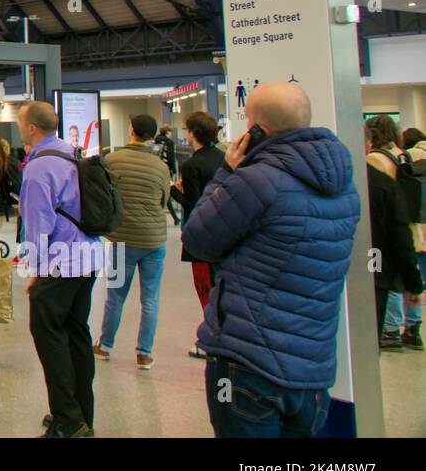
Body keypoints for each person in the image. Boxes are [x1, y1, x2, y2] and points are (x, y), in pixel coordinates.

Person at [182, 82, 359, 438]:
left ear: (258, 131)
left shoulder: (257, 180)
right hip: (313, 365)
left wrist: (226, 173)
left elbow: (199, 238)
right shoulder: (345, 185)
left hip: (249, 363)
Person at [18, 101, 104, 438]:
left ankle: (67, 421)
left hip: (59, 263)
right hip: (88, 258)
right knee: (77, 335)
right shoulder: (73, 153)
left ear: (31, 129)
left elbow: (38, 225)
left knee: (49, 338)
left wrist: (36, 271)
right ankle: (82, 413)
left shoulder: (39, 167)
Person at [96, 114, 172, 370]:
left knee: (115, 295)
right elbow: (164, 201)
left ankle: (105, 346)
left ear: (131, 131)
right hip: (153, 240)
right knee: (150, 298)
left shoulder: (112, 160)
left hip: (121, 240)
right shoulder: (160, 167)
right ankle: (144, 352)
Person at [170, 110, 226, 358]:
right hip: (226, 232)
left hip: (201, 238)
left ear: (193, 132)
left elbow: (193, 203)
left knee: (205, 289)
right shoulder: (224, 159)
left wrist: (171, 191)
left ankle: (211, 339)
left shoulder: (192, 164)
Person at [364, 116, 423, 352]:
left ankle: (391, 328)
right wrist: (414, 284)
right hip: (408, 223)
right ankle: (412, 326)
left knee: (379, 280)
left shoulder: (373, 164)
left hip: (375, 244)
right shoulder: (402, 154)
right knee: (394, 276)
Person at [387, 126, 426, 350]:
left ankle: (391, 328)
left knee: (393, 275)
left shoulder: (400, 158)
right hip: (420, 222)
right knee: (414, 272)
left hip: (406, 222)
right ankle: (414, 326)